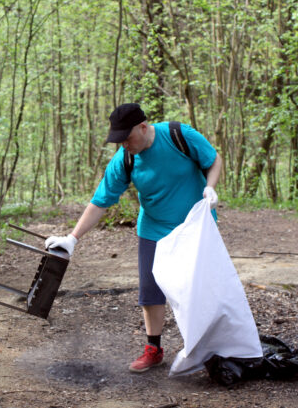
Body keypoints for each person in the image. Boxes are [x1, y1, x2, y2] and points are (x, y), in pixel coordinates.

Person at [45, 103, 222, 373]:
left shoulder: (178, 135)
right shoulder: (124, 159)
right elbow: (101, 201)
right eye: (119, 140)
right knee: (151, 292)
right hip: (154, 229)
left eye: (127, 138)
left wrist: (210, 188)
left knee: (198, 289)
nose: (124, 145)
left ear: (143, 126)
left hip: (195, 227)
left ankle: (207, 349)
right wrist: (72, 238)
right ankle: (153, 349)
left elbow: (213, 160)